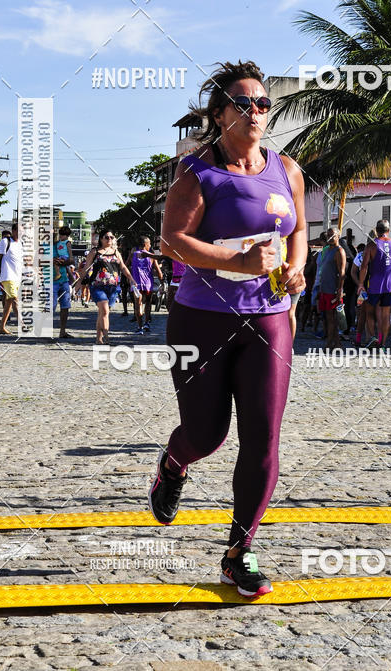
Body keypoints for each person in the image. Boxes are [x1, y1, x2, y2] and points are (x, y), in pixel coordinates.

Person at [152, 61, 306, 597]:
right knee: (207, 434)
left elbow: (301, 229)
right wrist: (236, 263)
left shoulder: (287, 170)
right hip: (201, 318)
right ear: (219, 115)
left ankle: (241, 551)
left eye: (263, 103)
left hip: (269, 319)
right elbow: (172, 240)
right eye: (244, 102)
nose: (256, 111)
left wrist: (297, 267)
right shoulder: (198, 173)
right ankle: (174, 463)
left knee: (263, 437)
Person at [76, 230, 136, 345]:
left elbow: (123, 267)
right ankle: (107, 337)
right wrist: (79, 283)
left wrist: (131, 279)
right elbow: (86, 268)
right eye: (106, 237)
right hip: (97, 286)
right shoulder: (95, 252)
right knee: (105, 310)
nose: (109, 239)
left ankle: (99, 338)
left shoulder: (116, 252)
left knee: (102, 313)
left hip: (112, 287)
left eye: (111, 237)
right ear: (101, 239)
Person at [358, 220, 391, 350]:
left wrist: (361, 283)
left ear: (376, 230)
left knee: (369, 313)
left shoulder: (371, 246)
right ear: (388, 231)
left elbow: (364, 267)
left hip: (374, 284)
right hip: (390, 285)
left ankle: (373, 337)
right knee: (385, 315)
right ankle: (383, 344)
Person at [318, 227, 346, 349]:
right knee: (328, 317)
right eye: (328, 235)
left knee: (332, 318)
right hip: (324, 288)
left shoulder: (339, 251)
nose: (329, 238)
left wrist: (339, 290)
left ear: (338, 236)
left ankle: (330, 343)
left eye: (332, 235)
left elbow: (342, 273)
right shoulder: (327, 250)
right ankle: (337, 343)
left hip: (333, 290)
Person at [130, 235, 163, 334]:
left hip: (136, 284)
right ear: (145, 244)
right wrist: (161, 281)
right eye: (149, 243)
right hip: (148, 284)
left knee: (138, 304)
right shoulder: (151, 256)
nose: (150, 245)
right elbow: (159, 272)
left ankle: (140, 328)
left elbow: (126, 265)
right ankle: (147, 323)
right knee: (148, 303)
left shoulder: (133, 254)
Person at [0, 224, 23, 335]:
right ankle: (23, 325)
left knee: (9, 302)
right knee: (14, 298)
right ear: (14, 230)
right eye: (19, 231)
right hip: (7, 276)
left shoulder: (20, 244)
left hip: (17, 277)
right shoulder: (5, 242)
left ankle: (1, 327)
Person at [53, 226, 74, 339]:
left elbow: (71, 260)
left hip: (64, 281)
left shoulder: (65, 244)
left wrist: (63, 262)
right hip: (50, 281)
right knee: (51, 306)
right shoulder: (45, 247)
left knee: (65, 307)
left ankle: (62, 331)